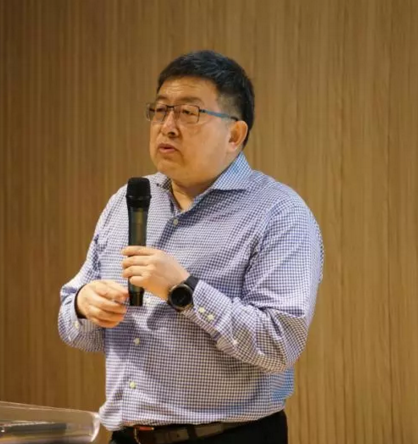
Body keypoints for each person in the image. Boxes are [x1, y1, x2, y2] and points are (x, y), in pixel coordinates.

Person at [58, 50, 324, 444]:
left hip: (227, 436)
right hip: (126, 436)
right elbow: (74, 325)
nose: (167, 126)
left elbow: (278, 343)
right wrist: (84, 306)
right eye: (160, 110)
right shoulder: (127, 200)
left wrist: (183, 290)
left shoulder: (278, 213)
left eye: (188, 113)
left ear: (234, 135)